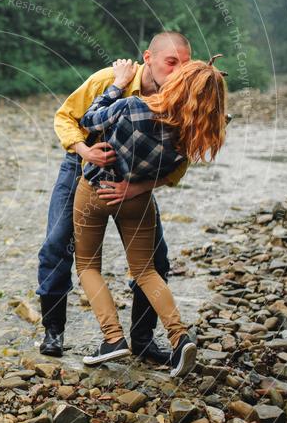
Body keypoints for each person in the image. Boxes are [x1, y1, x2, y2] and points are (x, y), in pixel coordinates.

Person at [37, 32, 191, 362]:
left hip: (137, 183)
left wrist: (138, 188)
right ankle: (54, 330)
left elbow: (181, 161)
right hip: (81, 166)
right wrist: (83, 150)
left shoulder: (182, 95)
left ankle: (143, 339)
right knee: (56, 244)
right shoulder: (109, 79)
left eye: (185, 64)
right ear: (148, 59)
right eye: (171, 62)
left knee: (157, 259)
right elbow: (65, 116)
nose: (178, 70)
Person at [74, 55, 228, 377]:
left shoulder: (132, 106)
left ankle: (113, 338)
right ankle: (179, 336)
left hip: (95, 190)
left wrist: (116, 85)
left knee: (88, 265)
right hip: (137, 198)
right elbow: (173, 171)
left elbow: (88, 120)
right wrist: (135, 186)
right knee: (146, 271)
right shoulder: (190, 133)